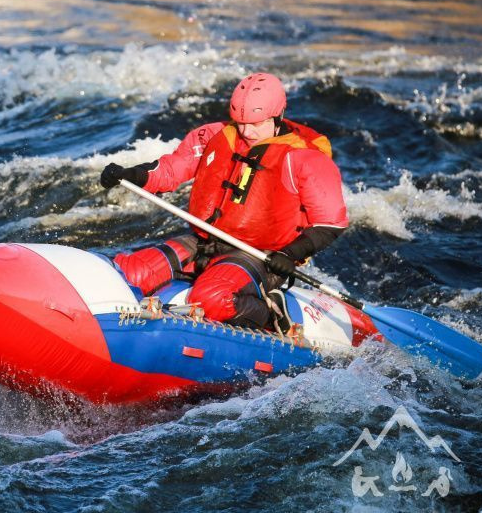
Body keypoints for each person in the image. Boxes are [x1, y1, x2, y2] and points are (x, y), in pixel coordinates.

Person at [99, 72, 348, 330]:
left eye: (255, 124)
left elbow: (331, 223)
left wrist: (289, 254)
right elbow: (171, 169)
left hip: (262, 255)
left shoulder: (305, 158)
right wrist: (131, 175)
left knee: (211, 299)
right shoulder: (213, 136)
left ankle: (272, 314)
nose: (246, 131)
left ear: (278, 116)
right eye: (240, 123)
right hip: (205, 241)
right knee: (131, 271)